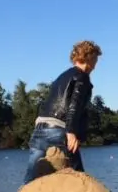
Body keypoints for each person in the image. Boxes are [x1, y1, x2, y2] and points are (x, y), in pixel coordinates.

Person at [23, 40, 103, 184]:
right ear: (89, 57)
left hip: (40, 128)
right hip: (59, 130)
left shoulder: (62, 76)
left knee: (31, 175)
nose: (96, 64)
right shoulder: (82, 77)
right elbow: (74, 105)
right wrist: (71, 132)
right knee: (77, 175)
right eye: (96, 59)